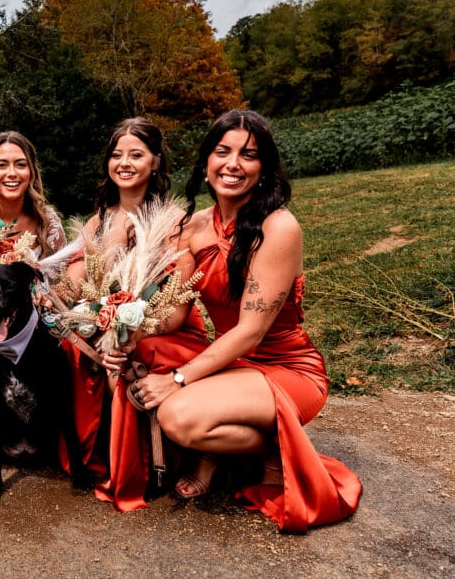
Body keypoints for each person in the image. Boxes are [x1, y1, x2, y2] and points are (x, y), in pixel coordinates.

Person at [119, 110, 362, 532]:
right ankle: (238, 451)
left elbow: (251, 331)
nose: (233, 164)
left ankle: (269, 451)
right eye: (223, 152)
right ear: (206, 162)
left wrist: (177, 379)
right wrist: (123, 325)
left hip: (286, 368)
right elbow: (176, 312)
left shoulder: (278, 227)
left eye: (248, 155)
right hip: (233, 363)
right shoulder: (192, 227)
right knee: (147, 362)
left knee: (177, 416)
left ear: (264, 167)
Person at [60, 117, 208, 486]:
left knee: (128, 357)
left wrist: (129, 336)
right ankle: (90, 451)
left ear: (155, 162)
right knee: (67, 346)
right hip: (109, 324)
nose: (124, 163)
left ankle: (141, 466)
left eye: (136, 155)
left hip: (163, 330)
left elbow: (176, 310)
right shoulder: (98, 221)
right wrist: (54, 296)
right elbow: (74, 283)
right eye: (116, 155)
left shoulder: (176, 223)